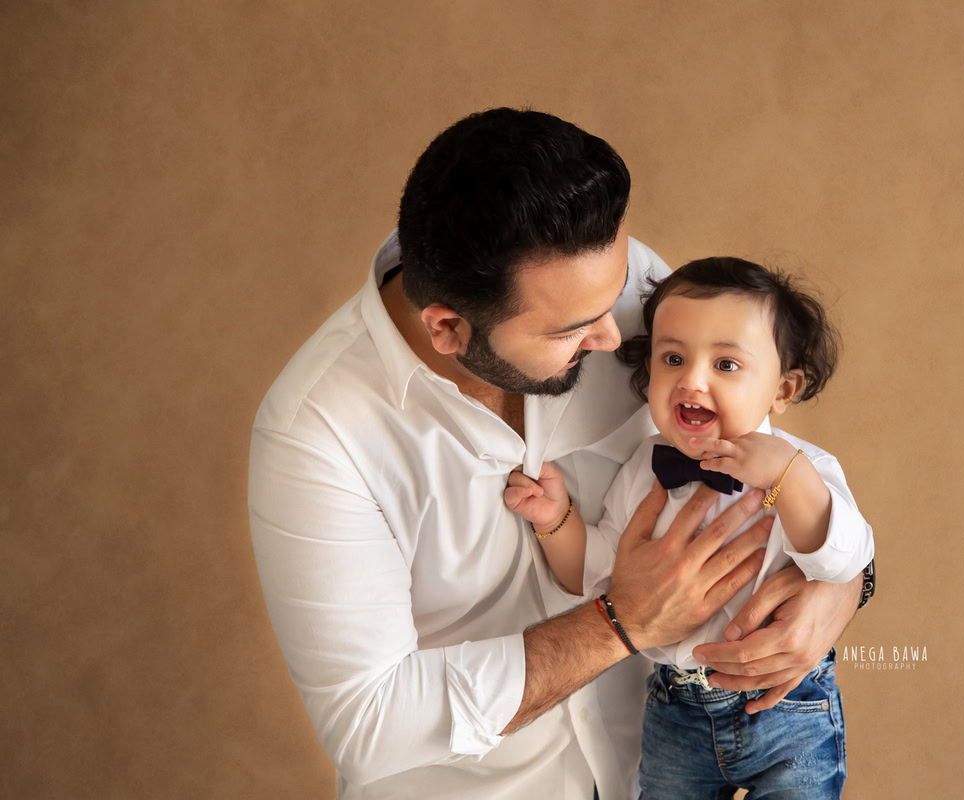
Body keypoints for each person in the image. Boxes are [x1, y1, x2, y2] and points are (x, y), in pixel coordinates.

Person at [247, 108, 869, 800]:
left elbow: (771, 462)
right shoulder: (317, 435)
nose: (616, 336)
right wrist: (621, 622)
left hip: (653, 768)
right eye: (574, 329)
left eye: (617, 294)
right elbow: (370, 722)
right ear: (448, 328)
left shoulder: (601, 281)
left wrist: (842, 586)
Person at [506, 256, 874, 797]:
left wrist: (788, 479)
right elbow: (599, 573)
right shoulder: (645, 467)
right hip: (677, 711)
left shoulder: (806, 469)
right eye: (673, 358)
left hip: (788, 707)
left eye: (726, 364)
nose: (693, 380)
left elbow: (843, 561)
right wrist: (556, 519)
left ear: (783, 390)